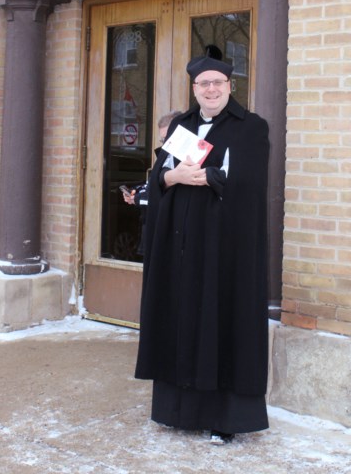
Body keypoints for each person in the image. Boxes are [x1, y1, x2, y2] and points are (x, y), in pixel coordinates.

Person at [134, 47, 270, 446]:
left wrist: (207, 177)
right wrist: (175, 178)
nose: (211, 90)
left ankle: (225, 419)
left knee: (222, 321)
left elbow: (247, 183)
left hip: (226, 252)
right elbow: (160, 177)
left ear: (230, 86)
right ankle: (178, 411)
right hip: (182, 250)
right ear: (194, 89)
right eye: (203, 84)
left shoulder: (250, 126)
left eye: (218, 83)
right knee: (182, 319)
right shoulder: (185, 127)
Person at [121, 110, 182, 257]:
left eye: (168, 138)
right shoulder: (166, 156)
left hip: (174, 232)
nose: (165, 144)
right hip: (155, 227)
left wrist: (137, 198)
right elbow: (154, 184)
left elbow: (164, 192)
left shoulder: (187, 158)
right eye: (162, 140)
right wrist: (136, 192)